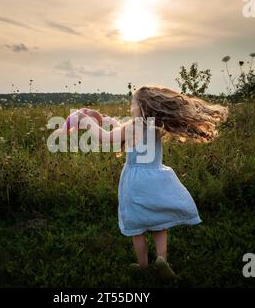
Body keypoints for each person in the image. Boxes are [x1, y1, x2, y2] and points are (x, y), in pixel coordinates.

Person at [77, 85, 229, 280]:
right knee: (159, 221)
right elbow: (126, 132)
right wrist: (109, 121)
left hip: (135, 181)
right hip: (156, 178)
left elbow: (105, 138)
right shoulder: (156, 127)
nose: (130, 108)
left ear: (143, 107)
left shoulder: (132, 127)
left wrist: (88, 122)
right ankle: (162, 260)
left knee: (137, 227)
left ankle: (143, 266)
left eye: (132, 104)